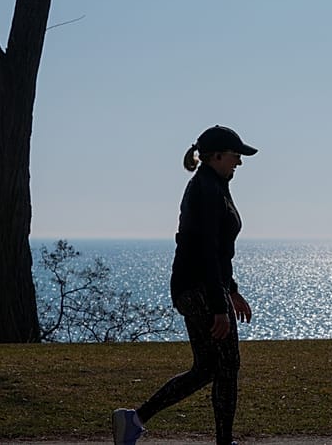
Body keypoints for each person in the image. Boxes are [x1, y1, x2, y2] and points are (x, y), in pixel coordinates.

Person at [112, 125, 257, 445]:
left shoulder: (216, 184)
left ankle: (132, 420)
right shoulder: (205, 188)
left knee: (207, 368)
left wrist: (231, 290)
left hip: (201, 287)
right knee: (227, 366)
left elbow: (219, 251)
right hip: (199, 289)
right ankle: (224, 441)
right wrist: (220, 305)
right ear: (216, 156)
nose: (240, 163)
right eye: (236, 156)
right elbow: (205, 249)